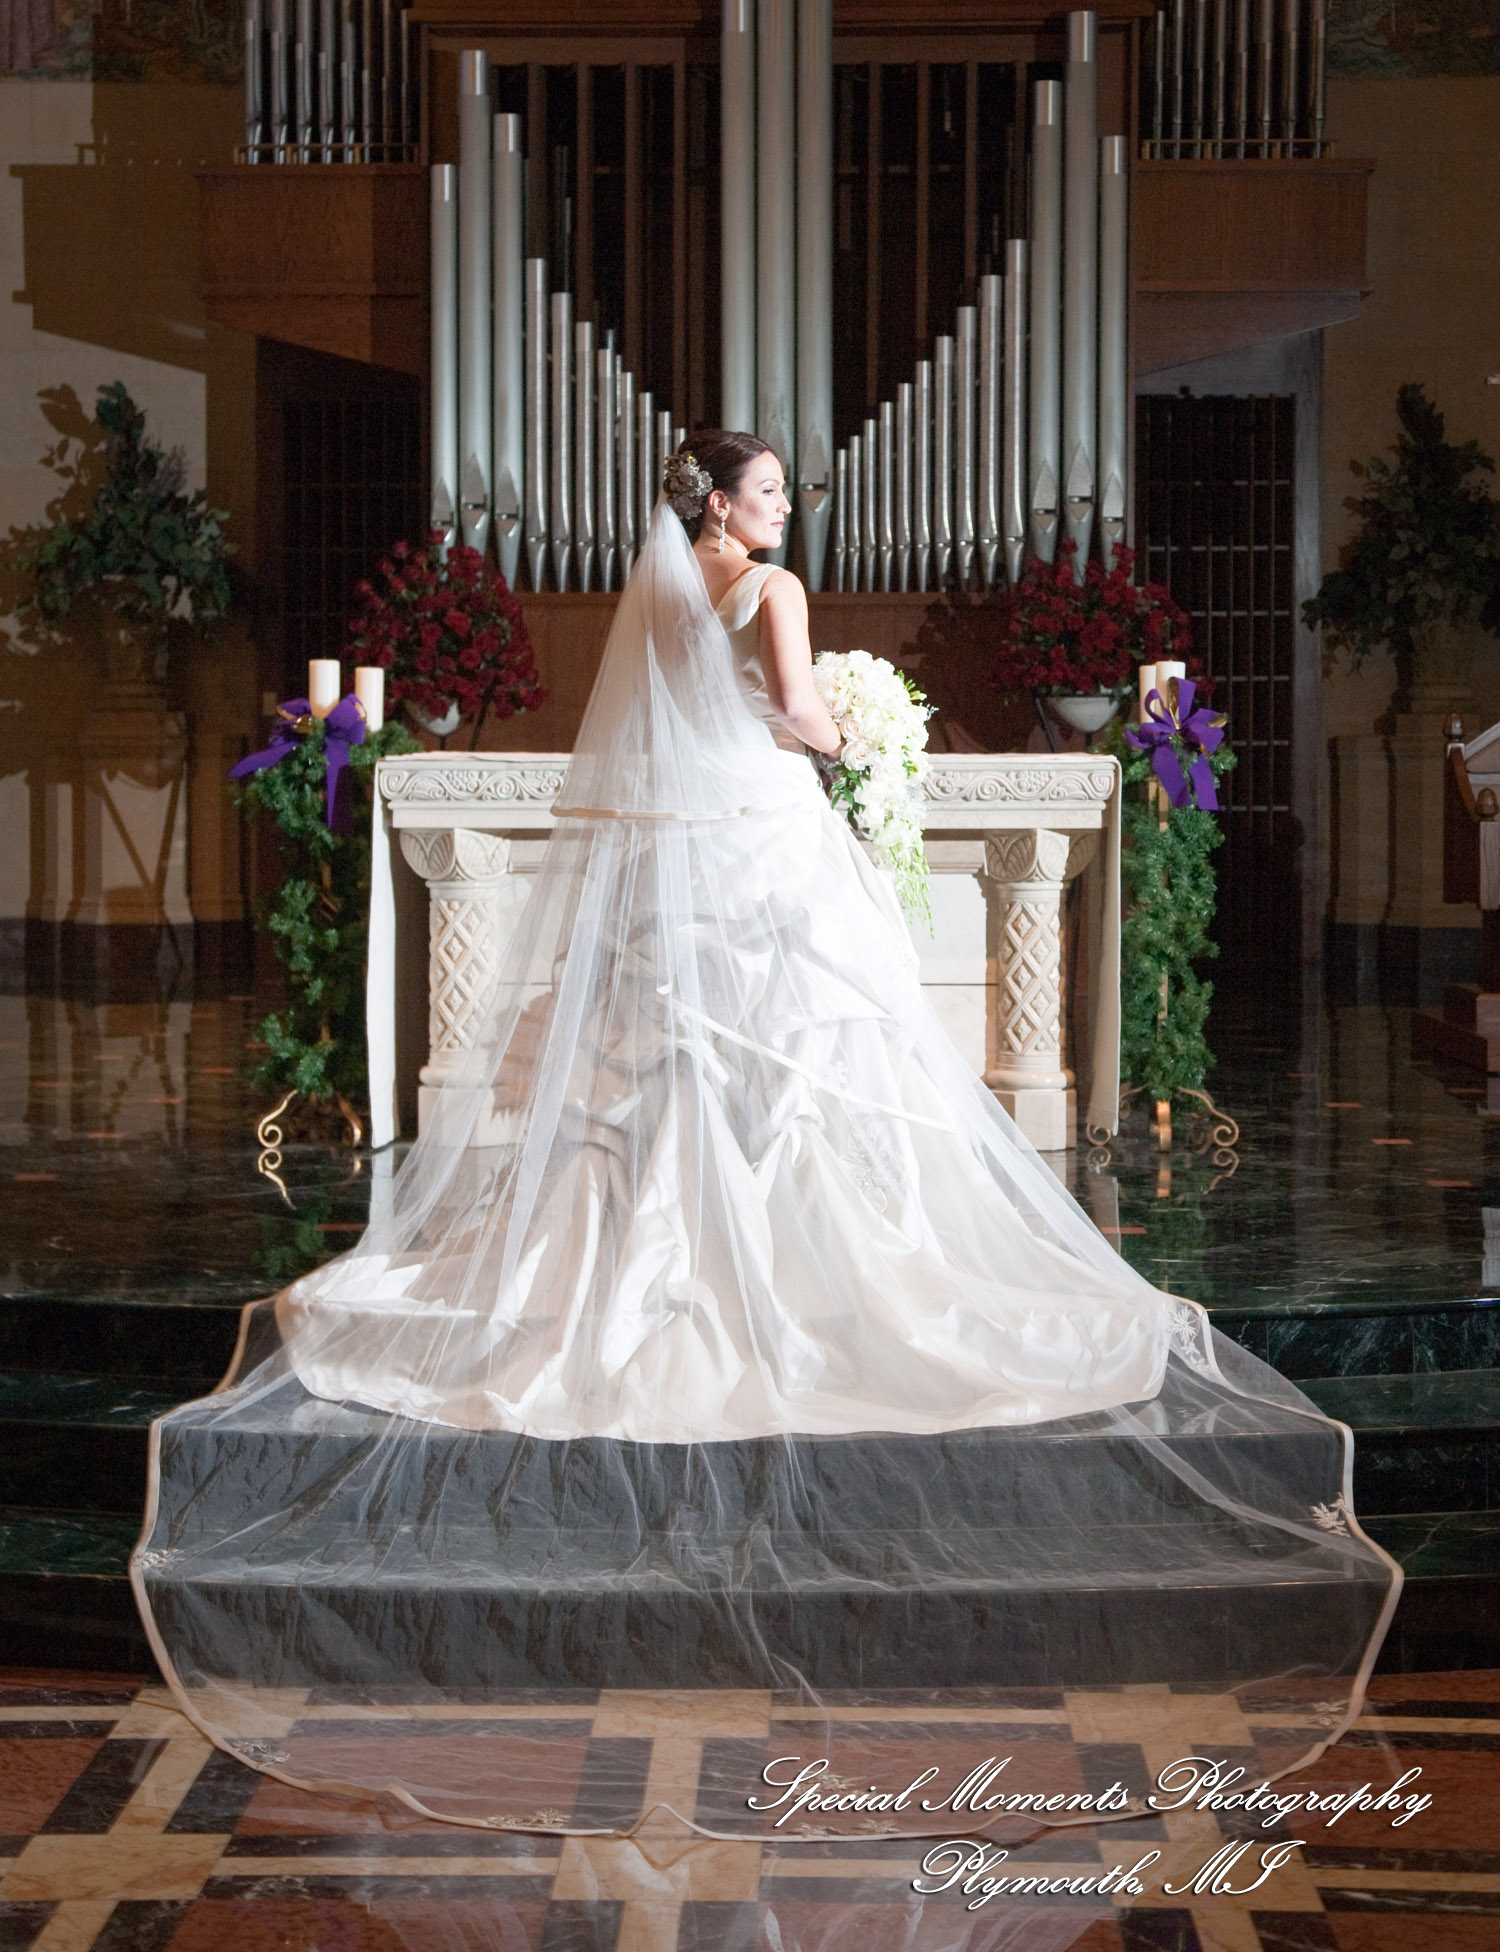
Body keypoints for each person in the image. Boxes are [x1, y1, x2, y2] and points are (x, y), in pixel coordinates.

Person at [134, 434, 1399, 1922]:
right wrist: (853, 738)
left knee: (663, 1089)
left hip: (683, 875)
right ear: (724, 505)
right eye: (771, 490)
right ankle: (806, 1282)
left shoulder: (659, 596)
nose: (788, 508)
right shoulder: (776, 589)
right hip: (770, 864)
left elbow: (672, 722)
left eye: (787, 491)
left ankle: (637, 1277)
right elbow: (796, 712)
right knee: (802, 1085)